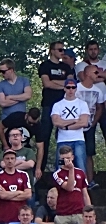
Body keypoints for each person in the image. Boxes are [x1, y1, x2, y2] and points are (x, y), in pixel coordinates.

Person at [38, 41, 76, 173]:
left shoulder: (66, 66)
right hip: (49, 104)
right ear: (52, 50)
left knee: (64, 136)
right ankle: (41, 169)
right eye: (60, 50)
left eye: (63, 50)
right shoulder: (45, 65)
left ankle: (66, 169)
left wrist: (59, 83)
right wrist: (63, 84)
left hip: (64, 106)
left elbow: (71, 83)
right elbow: (47, 83)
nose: (62, 52)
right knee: (45, 136)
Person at [52, 77, 89, 172]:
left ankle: (82, 186)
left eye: (73, 87)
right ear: (64, 88)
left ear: (76, 88)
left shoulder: (82, 104)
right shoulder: (57, 105)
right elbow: (56, 122)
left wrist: (65, 126)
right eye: (68, 87)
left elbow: (84, 123)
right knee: (60, 168)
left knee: (81, 167)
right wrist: (75, 120)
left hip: (78, 139)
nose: (71, 90)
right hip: (62, 140)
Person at [76, 64, 105, 185]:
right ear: (87, 73)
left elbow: (99, 108)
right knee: (73, 153)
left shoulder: (98, 91)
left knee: (89, 153)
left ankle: (90, 180)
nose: (98, 75)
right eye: (95, 73)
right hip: (75, 128)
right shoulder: (76, 88)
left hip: (89, 127)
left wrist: (93, 123)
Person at [0, 149, 31, 224]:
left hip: (20, 219)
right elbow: (1, 195)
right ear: (3, 161)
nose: (10, 161)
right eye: (7, 158)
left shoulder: (23, 175)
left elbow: (28, 194)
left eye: (12, 158)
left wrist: (8, 195)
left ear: (15, 160)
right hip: (4, 218)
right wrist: (19, 192)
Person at [0, 59, 31, 150]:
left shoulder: (24, 80)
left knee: (24, 147)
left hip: (22, 120)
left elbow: (28, 95)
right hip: (7, 120)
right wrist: (20, 98)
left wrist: (10, 97)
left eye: (3, 71)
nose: (2, 74)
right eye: (0, 71)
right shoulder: (0, 85)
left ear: (11, 70)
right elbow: (2, 102)